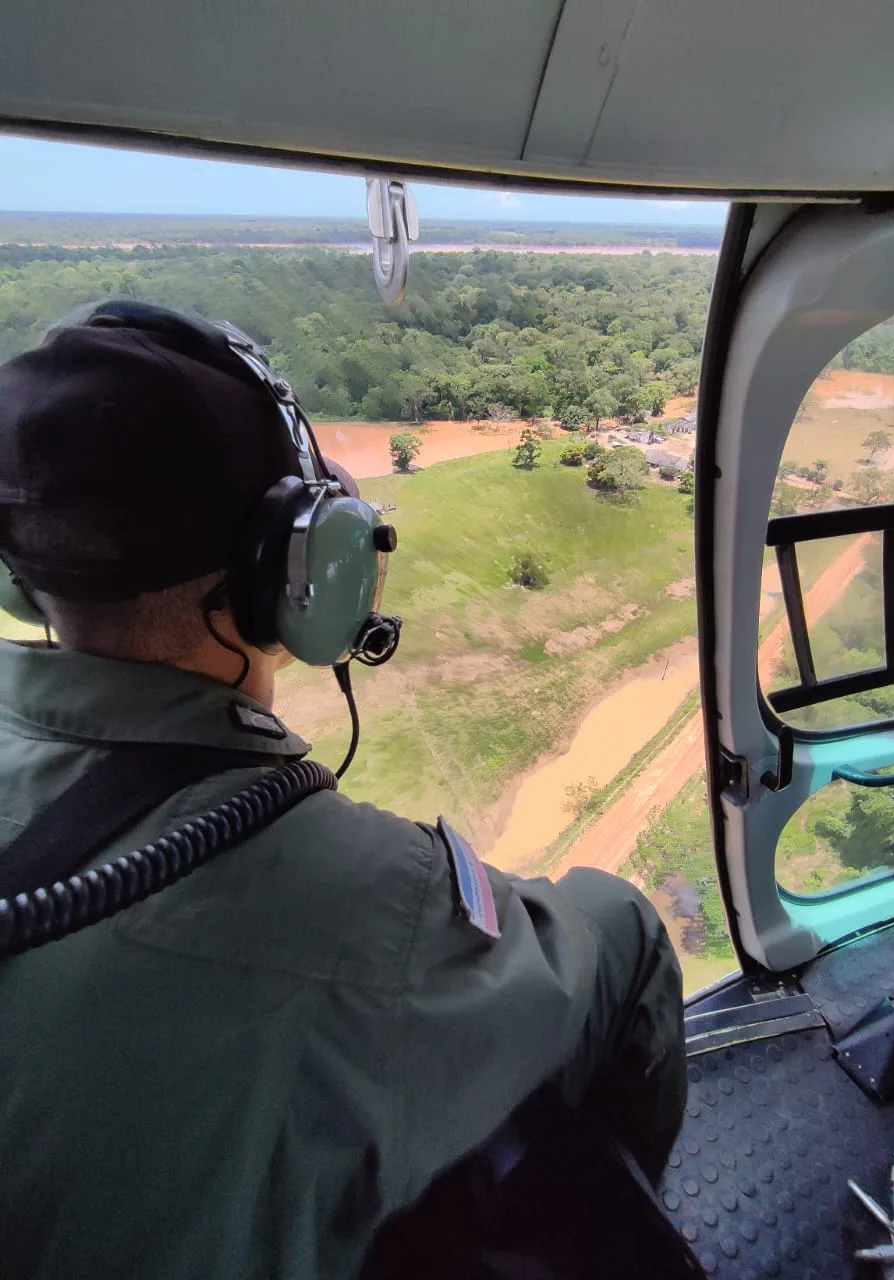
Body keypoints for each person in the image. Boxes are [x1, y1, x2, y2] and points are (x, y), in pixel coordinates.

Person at [0, 302, 686, 1280]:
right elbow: (557, 964)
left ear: (29, 577)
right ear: (302, 568)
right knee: (619, 926)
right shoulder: (379, 906)